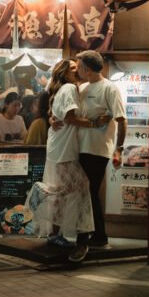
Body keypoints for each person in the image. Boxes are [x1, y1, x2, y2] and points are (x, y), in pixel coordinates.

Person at [24, 59, 108, 263]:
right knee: (81, 186)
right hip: (64, 148)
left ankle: (55, 233)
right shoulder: (69, 87)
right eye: (72, 68)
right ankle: (41, 192)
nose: (77, 69)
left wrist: (53, 118)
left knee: (66, 189)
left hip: (59, 145)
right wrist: (94, 123)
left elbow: (55, 115)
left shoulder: (63, 89)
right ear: (65, 74)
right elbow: (70, 118)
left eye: (77, 66)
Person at [76, 50, 127, 249]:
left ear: (87, 69)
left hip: (97, 149)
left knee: (89, 192)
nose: (77, 69)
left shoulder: (110, 88)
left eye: (79, 66)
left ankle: (98, 237)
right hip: (79, 147)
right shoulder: (82, 88)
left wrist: (119, 149)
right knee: (85, 193)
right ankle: (94, 235)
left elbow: (122, 120)